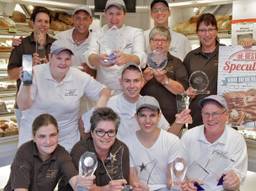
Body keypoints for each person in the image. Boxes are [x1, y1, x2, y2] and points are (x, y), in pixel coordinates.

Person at [16, 40, 111, 152]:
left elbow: (104, 91)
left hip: (66, 142)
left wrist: (96, 112)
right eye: (59, 58)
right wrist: (27, 84)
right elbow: (23, 106)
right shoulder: (35, 73)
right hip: (35, 139)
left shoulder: (78, 76)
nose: (63, 63)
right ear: (50, 57)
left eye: (67, 59)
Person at [82, 63, 191, 139]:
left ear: (142, 81)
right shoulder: (109, 104)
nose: (132, 86)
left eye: (136, 81)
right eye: (127, 81)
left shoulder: (149, 104)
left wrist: (178, 123)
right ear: (120, 82)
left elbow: (167, 136)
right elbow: (84, 126)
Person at [4, 113, 95, 191]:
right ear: (34, 137)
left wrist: (82, 183)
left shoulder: (62, 154)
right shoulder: (24, 152)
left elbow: (74, 181)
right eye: (42, 136)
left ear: (58, 134)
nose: (48, 142)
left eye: (52, 135)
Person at [181, 95, 248, 191]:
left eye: (215, 113)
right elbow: (178, 168)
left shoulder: (236, 139)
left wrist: (234, 181)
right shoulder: (189, 136)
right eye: (206, 114)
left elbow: (239, 175)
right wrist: (184, 183)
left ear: (226, 115)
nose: (210, 118)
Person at [59, 107, 130, 191]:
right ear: (92, 133)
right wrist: (105, 189)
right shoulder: (80, 150)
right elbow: (82, 189)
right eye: (100, 131)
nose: (106, 136)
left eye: (111, 132)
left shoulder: (122, 149)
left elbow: (122, 185)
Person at [124, 96, 186, 191]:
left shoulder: (172, 140)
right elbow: (133, 180)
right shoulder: (127, 143)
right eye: (143, 115)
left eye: (152, 115)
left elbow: (172, 180)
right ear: (136, 117)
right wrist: (139, 187)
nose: (147, 121)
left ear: (159, 116)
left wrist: (177, 185)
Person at [84, 0, 146, 94]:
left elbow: (141, 57)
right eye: (110, 13)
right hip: (103, 89)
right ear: (105, 13)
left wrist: (128, 58)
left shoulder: (135, 32)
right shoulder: (98, 33)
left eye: (118, 14)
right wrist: (98, 59)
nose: (114, 18)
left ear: (124, 14)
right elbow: (90, 55)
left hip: (129, 90)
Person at [7, 6, 55, 127]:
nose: (43, 24)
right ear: (32, 23)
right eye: (39, 21)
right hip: (26, 105)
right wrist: (28, 65)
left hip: (50, 103)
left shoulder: (56, 45)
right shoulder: (21, 44)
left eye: (46, 21)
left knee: (48, 142)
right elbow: (11, 75)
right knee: (26, 142)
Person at [141, 26, 188, 125]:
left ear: (169, 43)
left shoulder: (176, 62)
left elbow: (182, 91)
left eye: (163, 40)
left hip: (172, 121)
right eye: (156, 40)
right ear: (150, 42)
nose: (159, 43)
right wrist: (144, 79)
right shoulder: (142, 62)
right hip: (145, 120)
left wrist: (165, 80)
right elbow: (132, 89)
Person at [183, 13, 222, 128]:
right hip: (197, 117)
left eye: (211, 29)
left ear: (216, 31)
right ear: (197, 33)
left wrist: (249, 46)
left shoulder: (227, 53)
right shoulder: (190, 57)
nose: (207, 34)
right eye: (202, 30)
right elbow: (183, 89)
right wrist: (187, 93)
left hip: (222, 115)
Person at [55, 5, 96, 76]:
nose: (81, 22)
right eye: (78, 18)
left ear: (90, 20)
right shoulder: (60, 37)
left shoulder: (95, 42)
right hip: (62, 83)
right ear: (73, 19)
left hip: (84, 84)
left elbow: (100, 70)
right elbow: (52, 62)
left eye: (85, 19)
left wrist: (91, 70)